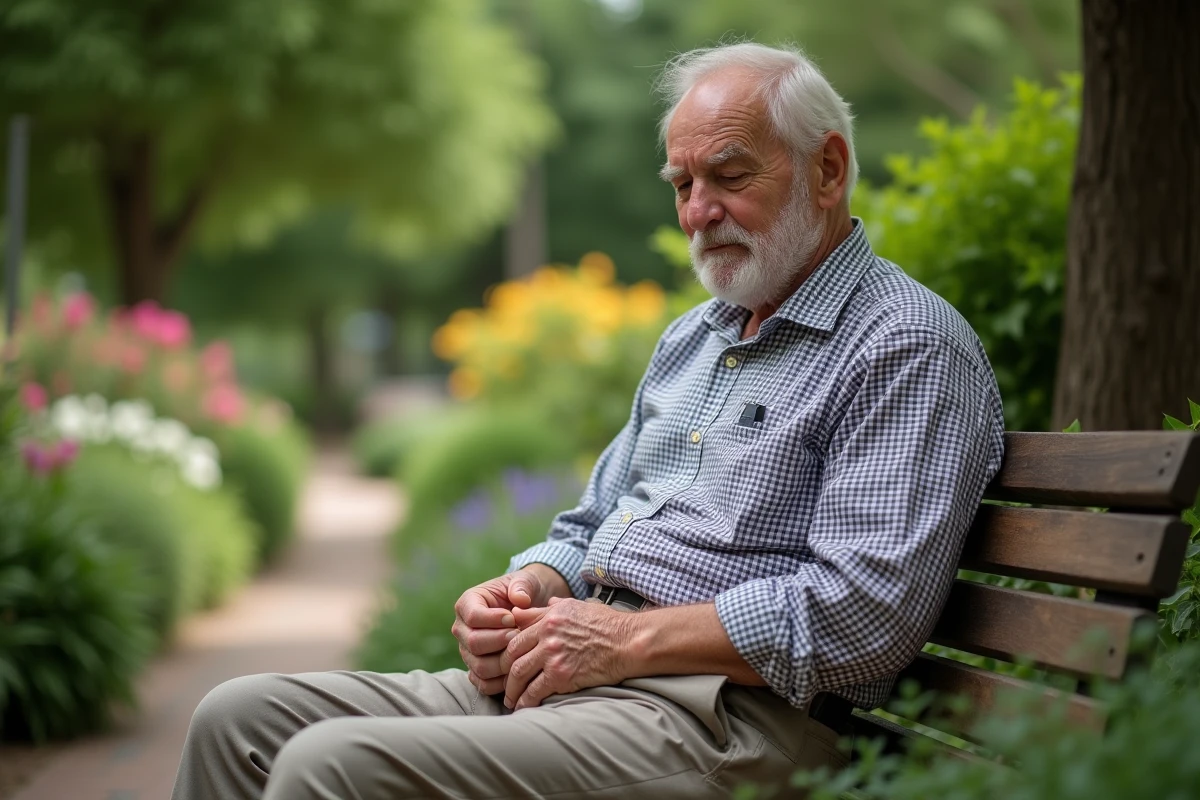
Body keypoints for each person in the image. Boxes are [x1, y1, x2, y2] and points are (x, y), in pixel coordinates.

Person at [172, 41, 1005, 800]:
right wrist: (528, 589)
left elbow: (862, 612)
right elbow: (591, 523)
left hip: (730, 721)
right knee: (237, 721)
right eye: (683, 186)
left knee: (332, 768)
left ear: (827, 170)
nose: (699, 212)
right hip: (587, 687)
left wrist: (623, 642)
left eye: (729, 176)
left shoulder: (904, 346)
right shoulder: (695, 338)